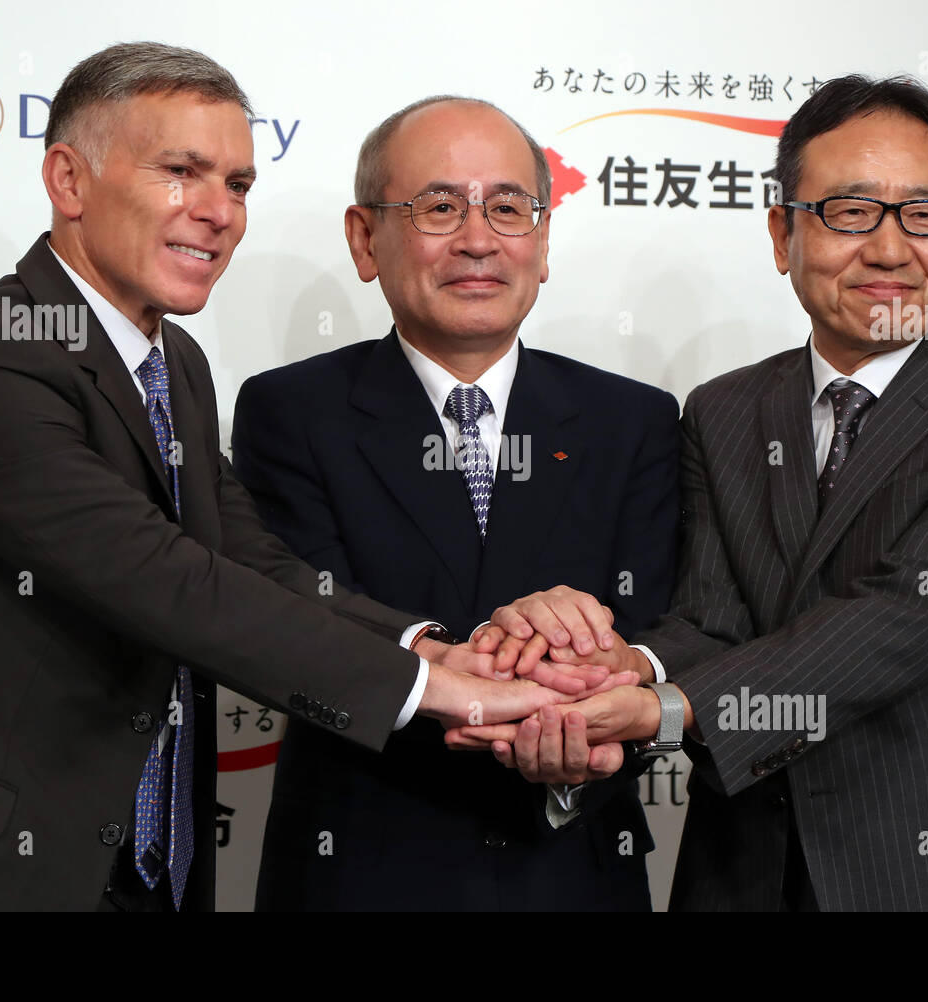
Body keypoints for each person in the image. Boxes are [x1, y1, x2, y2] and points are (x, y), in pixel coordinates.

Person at [0, 44, 583, 912]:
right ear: (69, 181)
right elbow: (172, 585)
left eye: (238, 184)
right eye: (182, 173)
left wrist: (431, 647)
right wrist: (450, 696)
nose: (218, 212)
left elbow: (256, 564)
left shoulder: (173, 362)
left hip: (150, 874)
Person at [459, 75, 928, 911]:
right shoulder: (724, 410)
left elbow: (897, 624)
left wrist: (661, 708)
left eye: (926, 215)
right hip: (753, 868)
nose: (890, 249)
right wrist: (619, 664)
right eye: (850, 212)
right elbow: (713, 618)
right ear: (782, 233)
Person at [232, 96, 678, 910]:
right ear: (366, 239)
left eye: (509, 208)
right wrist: (505, 663)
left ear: (542, 244)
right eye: (439, 207)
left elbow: (648, 636)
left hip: (574, 868)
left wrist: (586, 716)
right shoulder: (290, 412)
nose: (479, 239)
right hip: (359, 872)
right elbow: (303, 621)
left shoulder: (635, 420)